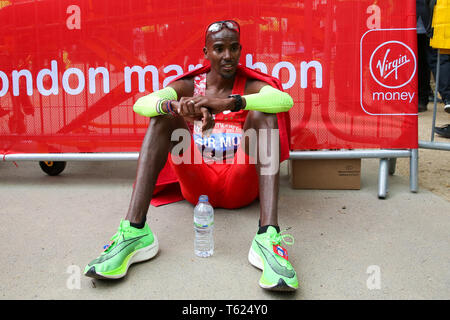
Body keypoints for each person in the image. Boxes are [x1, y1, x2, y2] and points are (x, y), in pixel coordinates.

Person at [83, 20, 299, 291]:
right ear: (206, 52)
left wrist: (229, 103)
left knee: (264, 114)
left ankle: (268, 237)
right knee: (162, 117)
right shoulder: (189, 86)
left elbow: (284, 101)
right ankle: (135, 231)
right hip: (198, 181)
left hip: (239, 181)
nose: (228, 55)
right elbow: (142, 104)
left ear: (241, 50)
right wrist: (175, 106)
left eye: (234, 48)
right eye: (219, 48)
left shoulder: (250, 85)